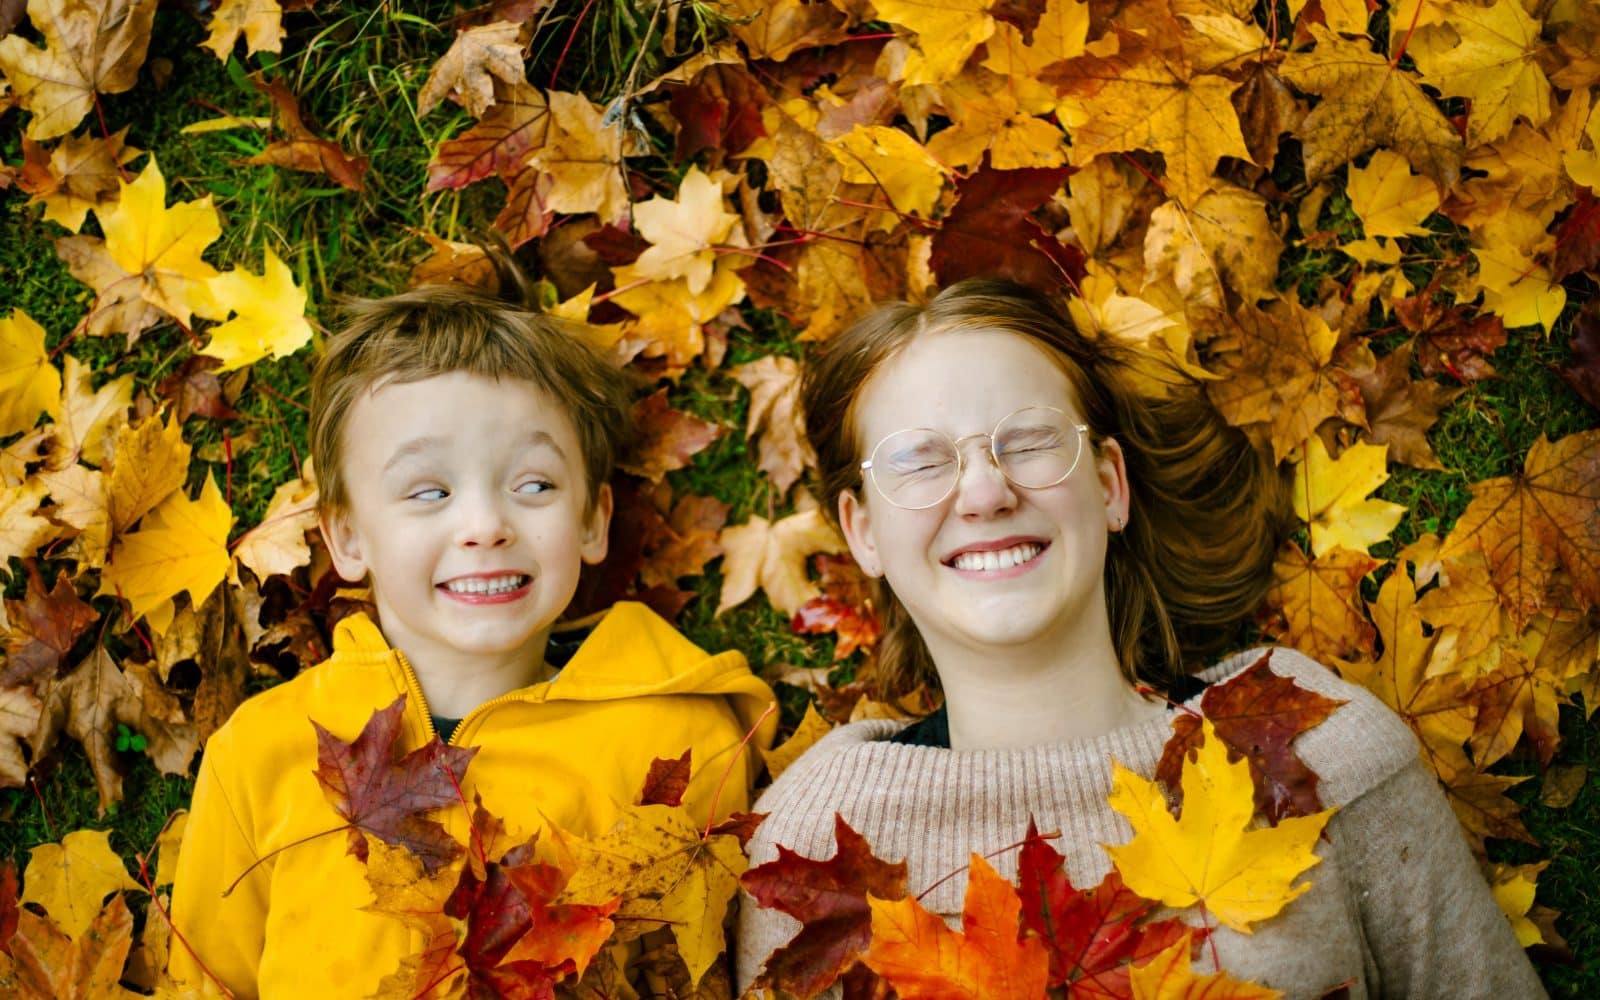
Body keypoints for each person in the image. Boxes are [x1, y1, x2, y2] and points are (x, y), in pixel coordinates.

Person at [735, 278, 1544, 998]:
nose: (984, 490)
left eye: (1030, 440)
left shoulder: (1312, 746)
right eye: (918, 461)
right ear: (862, 532)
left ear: (1110, 486)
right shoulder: (810, 848)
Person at [170, 273, 777, 998]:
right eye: (430, 492)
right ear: (348, 536)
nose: (486, 524)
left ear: (592, 521)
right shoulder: (261, 754)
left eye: (533, 485)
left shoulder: (685, 740)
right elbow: (207, 980)